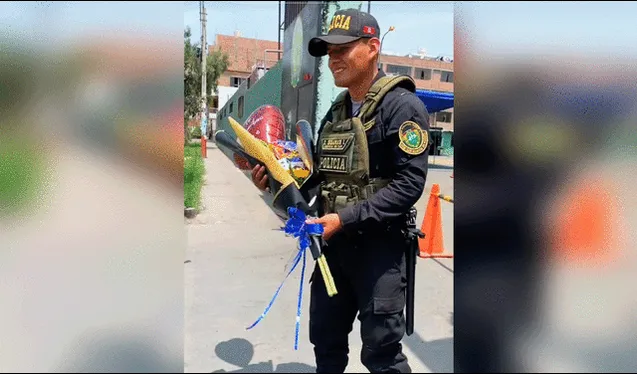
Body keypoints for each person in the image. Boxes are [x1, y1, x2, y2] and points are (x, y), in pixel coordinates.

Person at [251, 9, 430, 373]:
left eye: (342, 49)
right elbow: (320, 181)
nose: (333, 59)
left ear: (372, 48)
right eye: (328, 52)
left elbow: (409, 183)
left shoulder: (402, 107)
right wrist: (274, 182)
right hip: (332, 250)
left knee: (381, 354)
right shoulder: (335, 113)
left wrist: (344, 218)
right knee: (327, 344)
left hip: (379, 252)